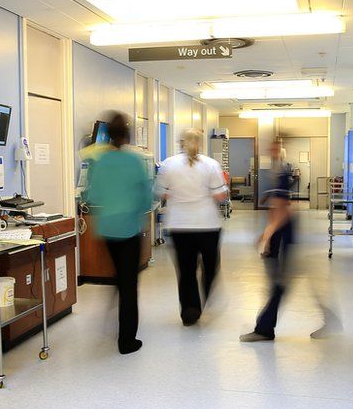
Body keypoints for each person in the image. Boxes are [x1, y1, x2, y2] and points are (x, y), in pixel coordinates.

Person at [84, 112, 153, 354]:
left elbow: (92, 196)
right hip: (127, 229)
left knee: (120, 276)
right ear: (127, 135)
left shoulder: (100, 161)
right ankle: (127, 341)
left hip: (107, 229)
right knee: (128, 285)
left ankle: (111, 319)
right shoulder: (133, 161)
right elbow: (146, 197)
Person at [156, 129, 228, 326]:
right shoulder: (211, 165)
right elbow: (220, 196)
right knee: (210, 267)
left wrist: (178, 194)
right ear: (200, 143)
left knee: (186, 271)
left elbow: (160, 192)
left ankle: (190, 310)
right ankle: (203, 294)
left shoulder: (168, 164)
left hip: (179, 226)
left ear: (181, 143)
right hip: (208, 226)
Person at [240, 144, 296, 342]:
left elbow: (281, 211)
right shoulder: (277, 172)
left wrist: (266, 236)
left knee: (280, 284)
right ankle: (264, 327)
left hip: (287, 231)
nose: (269, 152)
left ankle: (264, 329)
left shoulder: (281, 173)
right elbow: (278, 204)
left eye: (273, 150)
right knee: (282, 283)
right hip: (287, 231)